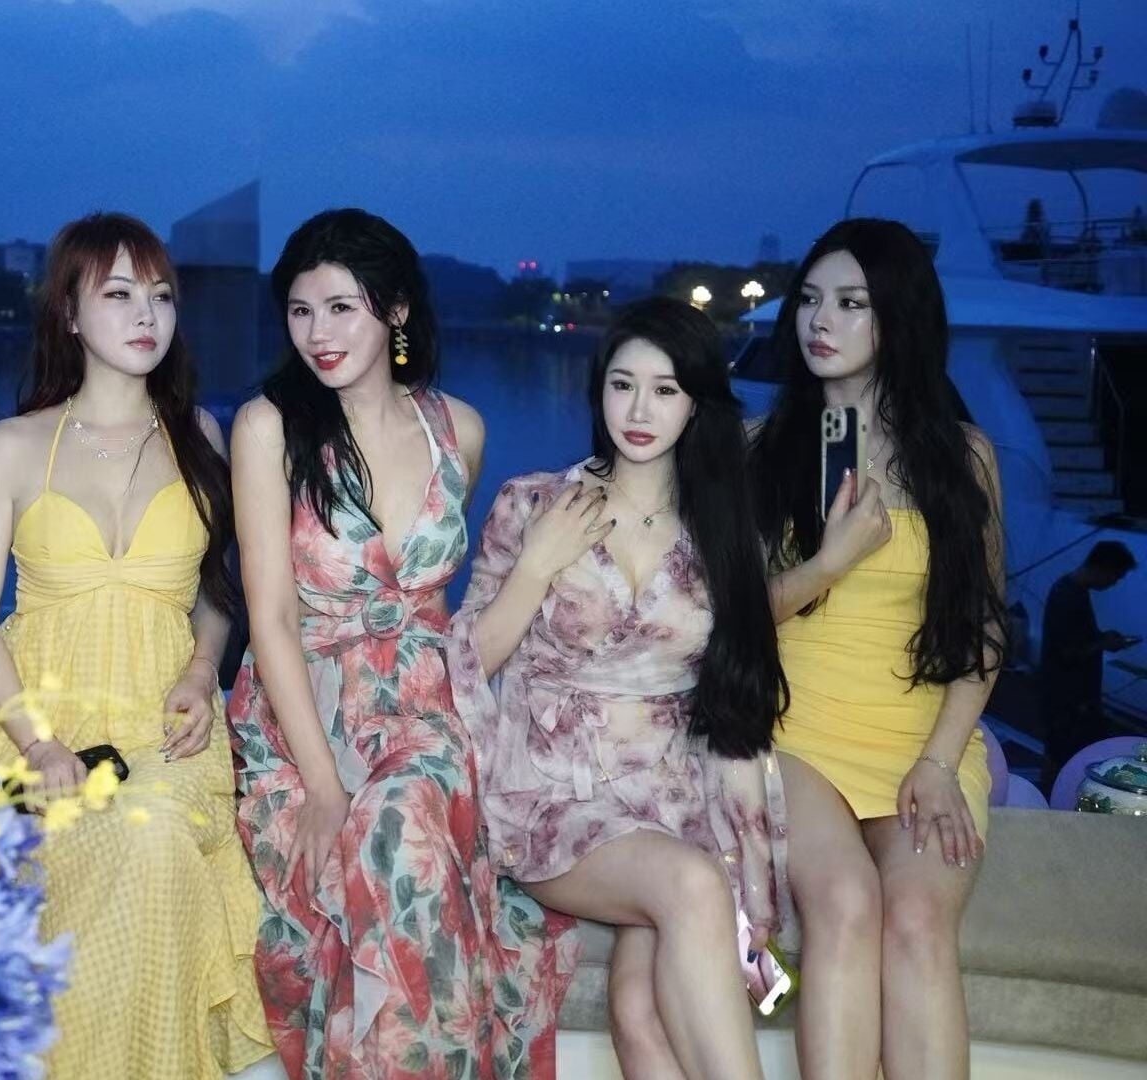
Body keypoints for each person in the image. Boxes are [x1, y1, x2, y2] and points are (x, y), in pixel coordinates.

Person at [226, 208, 559, 1079]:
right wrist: (323, 786)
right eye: (301, 311)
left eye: (343, 308)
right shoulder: (268, 427)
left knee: (399, 825)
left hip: (421, 706)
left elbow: (431, 603)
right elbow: (271, 619)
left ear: (397, 310)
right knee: (368, 836)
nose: (319, 334)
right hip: (304, 703)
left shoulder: (460, 431)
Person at [0, 213, 273, 1079]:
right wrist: (38, 743)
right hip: (36, 726)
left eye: (161, 296)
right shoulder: (14, 444)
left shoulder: (199, 435)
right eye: (120, 294)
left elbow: (215, 593)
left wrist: (203, 672)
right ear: (68, 312)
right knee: (113, 855)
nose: (146, 315)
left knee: (155, 837)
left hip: (165, 726)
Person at [450, 299, 790, 1079]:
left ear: (696, 403)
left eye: (665, 390)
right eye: (623, 385)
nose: (639, 411)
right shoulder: (534, 502)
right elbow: (468, 662)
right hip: (549, 794)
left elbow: (736, 708)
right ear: (598, 389)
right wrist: (537, 566)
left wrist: (757, 876)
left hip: (672, 798)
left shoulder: (725, 529)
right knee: (691, 885)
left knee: (641, 1016)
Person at [748, 218, 1008, 1080]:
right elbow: (731, 622)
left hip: (922, 740)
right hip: (795, 734)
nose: (821, 320)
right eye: (810, 300)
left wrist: (940, 762)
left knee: (920, 922)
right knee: (846, 903)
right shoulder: (761, 449)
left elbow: (983, 628)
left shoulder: (963, 457)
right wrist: (827, 565)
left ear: (898, 317)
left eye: (851, 303)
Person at [1040, 540, 1138, 789]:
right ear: (1102, 568)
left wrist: (1101, 638)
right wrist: (1103, 643)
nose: (1114, 583)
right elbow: (1067, 652)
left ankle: (1056, 794)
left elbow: (1076, 638)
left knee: (1068, 750)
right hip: (1067, 696)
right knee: (1061, 753)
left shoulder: (1074, 592)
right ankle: (1050, 798)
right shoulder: (1066, 597)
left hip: (1075, 695)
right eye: (1115, 577)